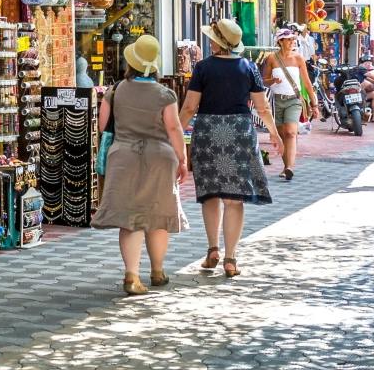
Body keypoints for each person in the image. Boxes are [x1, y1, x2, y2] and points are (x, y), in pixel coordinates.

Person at [92, 34, 189, 295]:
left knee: (130, 219)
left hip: (123, 156)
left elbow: (102, 126)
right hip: (160, 157)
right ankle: (157, 271)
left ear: (131, 63)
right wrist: (183, 159)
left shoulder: (115, 90)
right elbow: (174, 127)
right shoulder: (165, 94)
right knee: (158, 216)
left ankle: (132, 276)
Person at [181, 18, 277, 278]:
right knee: (234, 199)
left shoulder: (202, 68)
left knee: (211, 193)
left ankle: (213, 249)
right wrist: (274, 132)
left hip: (209, 131)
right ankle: (231, 258)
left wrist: (176, 133)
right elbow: (262, 107)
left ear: (217, 42)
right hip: (239, 133)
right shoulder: (248, 68)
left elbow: (190, 107)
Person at [259, 29, 316, 181]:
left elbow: (307, 82)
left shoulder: (298, 58)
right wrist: (273, 81)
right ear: (280, 41)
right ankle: (286, 167)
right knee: (281, 134)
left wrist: (314, 103)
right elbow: (264, 80)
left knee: (291, 132)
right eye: (288, 39)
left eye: (293, 39)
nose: (292, 42)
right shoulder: (272, 58)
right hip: (276, 100)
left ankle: (290, 166)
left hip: (294, 100)